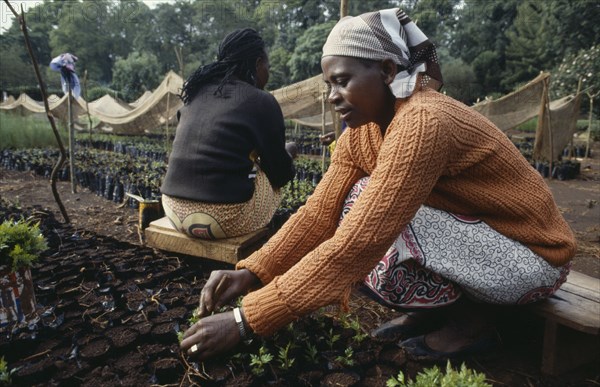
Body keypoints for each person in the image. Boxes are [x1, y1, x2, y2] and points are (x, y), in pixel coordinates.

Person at [180, 9, 576, 361]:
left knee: (367, 212)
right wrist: (253, 272)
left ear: (387, 72)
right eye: (329, 85)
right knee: (352, 205)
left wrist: (247, 319)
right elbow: (318, 213)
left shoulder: (423, 120)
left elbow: (359, 241)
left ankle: (475, 324)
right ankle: (435, 312)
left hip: (531, 260)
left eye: (343, 81)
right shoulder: (361, 132)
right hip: (479, 249)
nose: (334, 96)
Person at [161, 28, 296, 240]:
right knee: (268, 172)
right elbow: (280, 174)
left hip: (172, 211)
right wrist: (289, 152)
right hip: (222, 220)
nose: (267, 74)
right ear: (258, 63)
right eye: (267, 67)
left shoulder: (196, 92)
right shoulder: (261, 100)